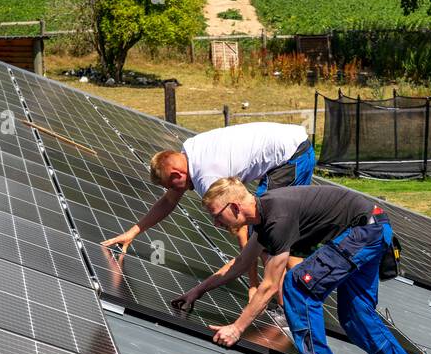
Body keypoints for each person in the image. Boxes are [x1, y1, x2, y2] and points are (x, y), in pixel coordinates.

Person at [182, 178, 430, 354]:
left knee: (298, 286)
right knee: (355, 314)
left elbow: (269, 286)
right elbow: (241, 263)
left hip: (363, 232)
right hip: (374, 228)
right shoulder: (264, 217)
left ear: (234, 207)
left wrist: (236, 329)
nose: (216, 223)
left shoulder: (277, 218)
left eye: (216, 216)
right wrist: (197, 291)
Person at [101, 121, 315, 299]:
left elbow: (241, 228)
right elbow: (168, 202)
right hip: (296, 147)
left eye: (170, 185)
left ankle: (280, 301)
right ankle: (299, 292)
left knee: (268, 229)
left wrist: (252, 283)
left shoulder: (206, 178)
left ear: (177, 174)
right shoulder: (190, 151)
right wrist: (133, 232)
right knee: (284, 232)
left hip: (290, 157)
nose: (172, 190)